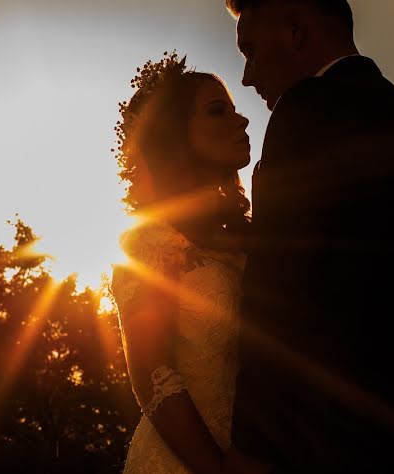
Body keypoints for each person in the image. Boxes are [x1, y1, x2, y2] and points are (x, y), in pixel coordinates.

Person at [223, 0, 394, 472]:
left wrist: (252, 444)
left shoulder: (307, 110)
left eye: (249, 51)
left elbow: (281, 295)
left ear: (296, 33)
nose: (247, 77)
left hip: (330, 440)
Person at [106, 51, 252, 474]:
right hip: (183, 461)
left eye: (237, 111)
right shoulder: (149, 241)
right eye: (217, 111)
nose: (241, 121)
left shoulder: (244, 236)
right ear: (175, 135)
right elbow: (151, 373)